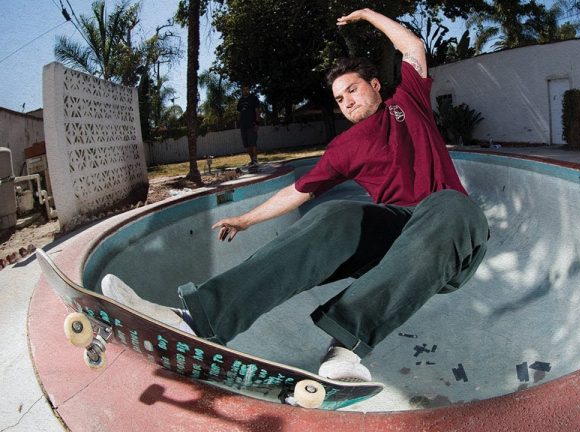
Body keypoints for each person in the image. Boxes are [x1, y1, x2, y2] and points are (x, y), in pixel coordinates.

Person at [102, 8, 489, 382]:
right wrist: (246, 218)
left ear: (374, 85)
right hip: (398, 233)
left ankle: (350, 340)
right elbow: (299, 190)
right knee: (334, 214)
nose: (348, 101)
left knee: (449, 204)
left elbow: (413, 48)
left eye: (352, 89)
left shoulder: (409, 103)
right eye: (339, 98)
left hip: (454, 235)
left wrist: (368, 13)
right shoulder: (344, 147)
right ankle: (197, 319)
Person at [237, 85, 260, 169]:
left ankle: (255, 161)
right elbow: (240, 113)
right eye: (244, 89)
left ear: (249, 90)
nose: (245, 91)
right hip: (243, 126)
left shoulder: (253, 98)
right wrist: (240, 123)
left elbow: (257, 111)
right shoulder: (241, 100)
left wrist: (257, 123)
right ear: (242, 91)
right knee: (246, 145)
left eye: (247, 89)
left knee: (252, 143)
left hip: (252, 125)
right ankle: (252, 161)